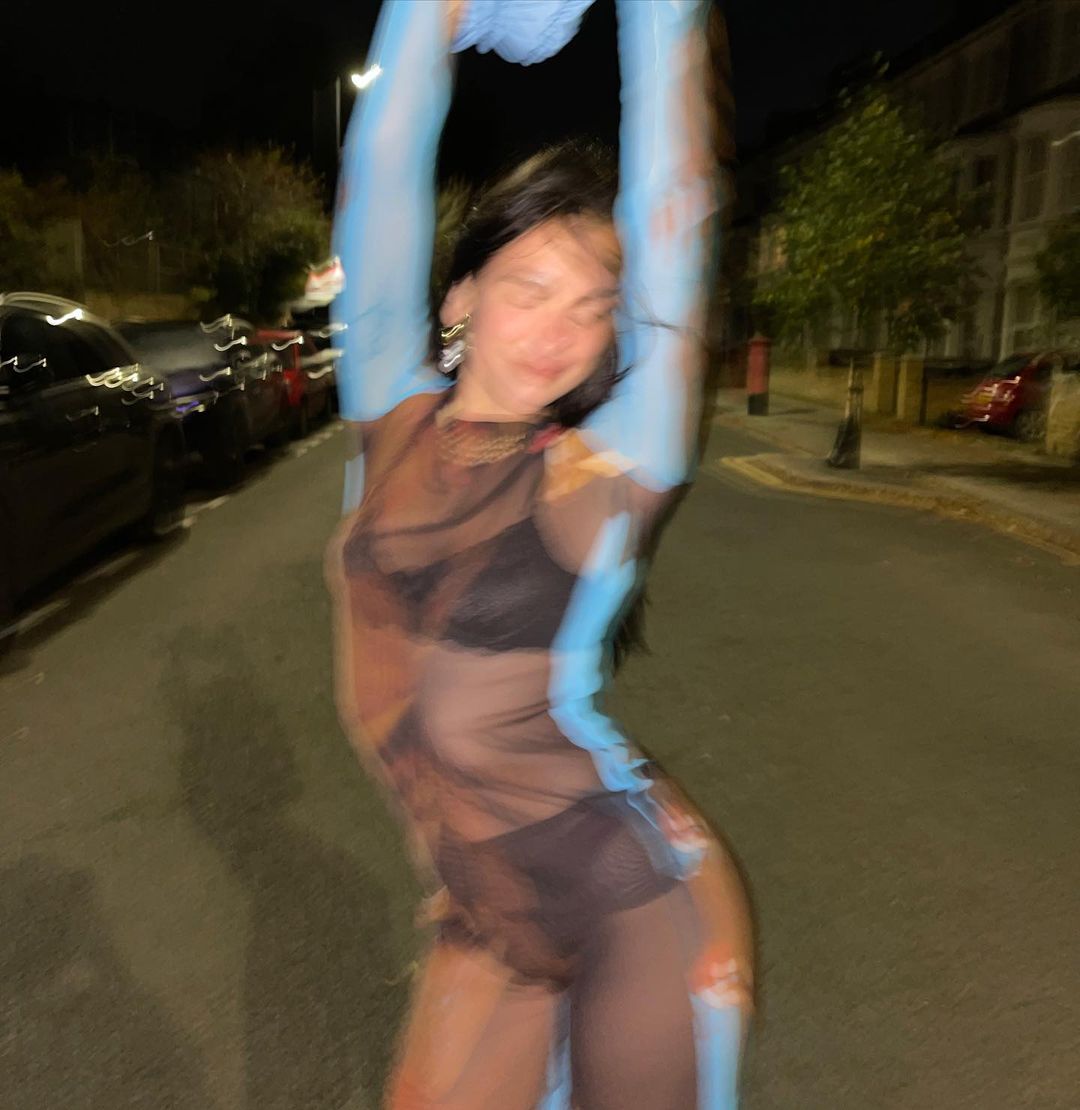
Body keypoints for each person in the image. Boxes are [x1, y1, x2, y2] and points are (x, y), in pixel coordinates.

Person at [327, 1, 753, 1106]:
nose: (558, 333)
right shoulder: (391, 410)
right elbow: (384, 174)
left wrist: (659, 15)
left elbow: (675, 210)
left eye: (592, 307)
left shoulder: (602, 471)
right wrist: (426, 18)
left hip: (625, 910)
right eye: (528, 288)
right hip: (487, 910)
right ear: (461, 292)